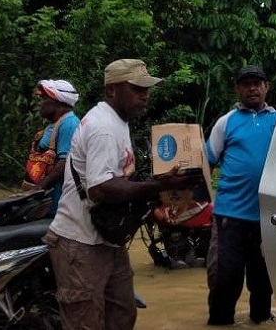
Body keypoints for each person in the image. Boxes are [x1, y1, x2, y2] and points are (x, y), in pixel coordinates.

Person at [43, 58, 201, 330]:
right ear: (112, 90)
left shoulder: (118, 121)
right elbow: (101, 188)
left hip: (107, 241)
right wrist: (160, 186)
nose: (145, 95)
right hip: (81, 244)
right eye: (137, 89)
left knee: (123, 314)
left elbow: (119, 180)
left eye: (147, 89)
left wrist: (158, 187)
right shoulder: (104, 127)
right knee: (85, 323)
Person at [205, 64, 276, 326]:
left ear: (266, 87)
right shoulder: (226, 122)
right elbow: (207, 163)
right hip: (229, 214)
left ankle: (260, 318)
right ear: (237, 89)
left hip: (267, 216)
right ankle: (220, 321)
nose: (252, 88)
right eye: (246, 83)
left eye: (257, 83)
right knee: (226, 276)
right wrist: (200, 200)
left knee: (263, 279)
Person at [27, 80, 81, 216]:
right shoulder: (55, 124)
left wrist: (38, 188)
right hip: (45, 199)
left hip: (58, 202)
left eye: (43, 98)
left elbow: (64, 163)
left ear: (57, 102)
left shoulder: (69, 124)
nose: (40, 102)